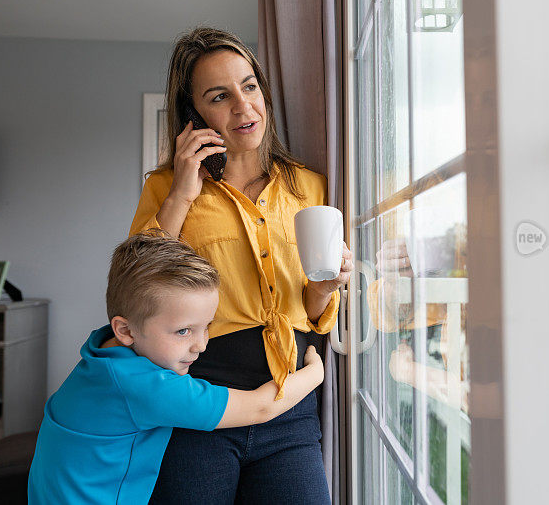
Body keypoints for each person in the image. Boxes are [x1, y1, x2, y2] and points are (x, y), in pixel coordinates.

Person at [130, 27, 352, 504]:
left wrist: (327, 287)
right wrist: (184, 193)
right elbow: (137, 285)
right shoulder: (167, 188)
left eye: (249, 86)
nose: (243, 106)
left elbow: (311, 311)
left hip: (287, 406)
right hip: (197, 405)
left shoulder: (310, 187)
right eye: (219, 96)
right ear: (194, 115)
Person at [27, 230, 324, 504]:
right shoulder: (147, 387)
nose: (201, 345)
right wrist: (314, 373)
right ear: (126, 330)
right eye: (183, 331)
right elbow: (260, 407)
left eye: (207, 326)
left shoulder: (102, 352)